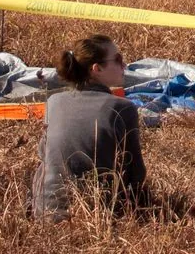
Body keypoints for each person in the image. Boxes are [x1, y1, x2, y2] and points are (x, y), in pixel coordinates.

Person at [32, 35, 147, 219]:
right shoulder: (123, 108)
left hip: (46, 212)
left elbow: (44, 154)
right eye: (118, 60)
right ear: (97, 69)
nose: (124, 65)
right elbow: (136, 173)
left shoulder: (53, 102)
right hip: (100, 214)